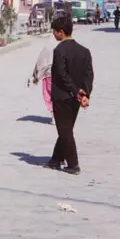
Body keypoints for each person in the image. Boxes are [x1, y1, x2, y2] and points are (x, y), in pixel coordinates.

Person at [43, 15, 93, 175]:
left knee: (65, 131)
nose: (53, 34)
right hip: (76, 98)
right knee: (66, 129)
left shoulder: (59, 50)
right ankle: (55, 160)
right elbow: (89, 75)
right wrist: (85, 93)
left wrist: (75, 90)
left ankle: (73, 164)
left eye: (55, 32)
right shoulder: (85, 51)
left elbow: (62, 75)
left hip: (62, 96)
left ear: (61, 32)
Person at [30, 37, 57, 117]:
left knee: (48, 94)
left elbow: (41, 63)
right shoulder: (63, 46)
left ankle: (54, 113)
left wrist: (36, 76)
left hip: (49, 75)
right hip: (60, 76)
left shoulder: (47, 48)